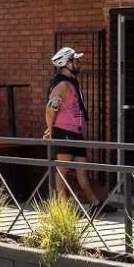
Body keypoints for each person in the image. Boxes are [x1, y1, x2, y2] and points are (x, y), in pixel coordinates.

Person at [44, 46, 99, 205]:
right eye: (76, 60)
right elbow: (50, 109)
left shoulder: (72, 82)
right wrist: (50, 130)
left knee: (82, 170)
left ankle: (94, 203)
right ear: (67, 63)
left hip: (76, 132)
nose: (78, 63)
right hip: (64, 132)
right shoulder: (61, 85)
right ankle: (62, 206)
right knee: (63, 170)